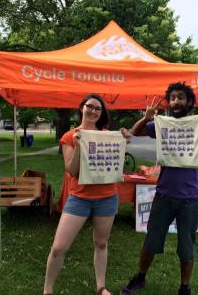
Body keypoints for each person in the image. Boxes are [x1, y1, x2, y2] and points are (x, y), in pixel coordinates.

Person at [121, 82, 198, 295]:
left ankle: (184, 287)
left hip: (189, 198)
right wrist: (147, 116)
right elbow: (134, 131)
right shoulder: (163, 124)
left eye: (180, 97)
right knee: (151, 241)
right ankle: (140, 277)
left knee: (187, 247)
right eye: (172, 98)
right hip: (164, 194)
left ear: (189, 102)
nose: (176, 101)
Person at [44, 93, 130, 295]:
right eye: (90, 106)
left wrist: (124, 139)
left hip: (107, 197)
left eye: (98, 109)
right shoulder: (69, 136)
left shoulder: (107, 135)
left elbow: (113, 164)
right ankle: (47, 290)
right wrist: (79, 145)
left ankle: (101, 287)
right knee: (58, 248)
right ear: (82, 108)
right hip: (79, 198)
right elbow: (72, 171)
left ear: (101, 114)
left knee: (101, 243)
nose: (93, 111)